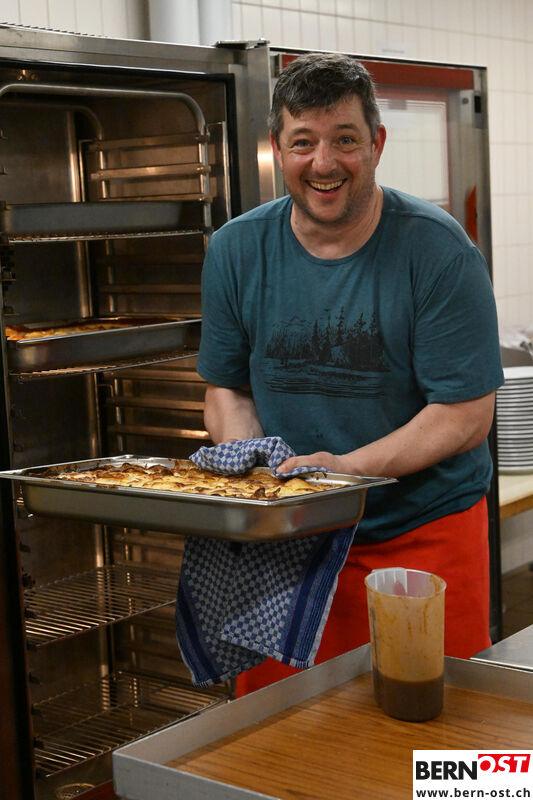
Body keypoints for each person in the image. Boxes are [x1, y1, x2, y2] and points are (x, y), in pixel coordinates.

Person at [196, 52, 504, 695]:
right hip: (287, 542)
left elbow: (467, 415)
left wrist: (342, 472)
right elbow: (227, 387)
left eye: (344, 140)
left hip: (419, 533)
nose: (324, 163)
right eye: (303, 142)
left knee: (437, 726)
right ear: (278, 147)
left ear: (376, 144)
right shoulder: (236, 250)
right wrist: (256, 464)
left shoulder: (438, 251)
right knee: (279, 730)